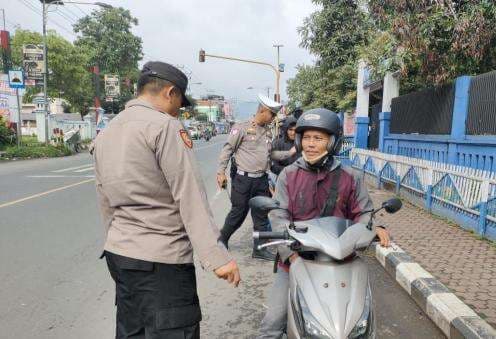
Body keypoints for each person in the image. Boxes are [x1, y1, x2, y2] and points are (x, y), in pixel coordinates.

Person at [93, 61, 240, 339]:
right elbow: (190, 197)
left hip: (121, 257)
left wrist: (117, 242)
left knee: (131, 331)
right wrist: (217, 257)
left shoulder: (107, 132)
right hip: (163, 262)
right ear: (170, 93)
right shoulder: (165, 127)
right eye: (180, 104)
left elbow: (105, 199)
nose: (179, 111)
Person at [256, 108, 391, 338]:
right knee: (272, 324)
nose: (310, 144)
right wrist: (291, 255)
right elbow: (278, 216)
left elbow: (364, 212)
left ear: (332, 142)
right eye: (306, 137)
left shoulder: (350, 177)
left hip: (342, 262)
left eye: (318, 138)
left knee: (358, 321)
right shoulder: (288, 175)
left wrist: (373, 226)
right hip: (297, 260)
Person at [216, 94, 293, 260]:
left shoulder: (267, 132)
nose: (273, 118)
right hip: (243, 180)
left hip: (261, 180)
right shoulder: (242, 127)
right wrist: (221, 172)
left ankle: (259, 249)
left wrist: (290, 153)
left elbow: (271, 154)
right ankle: (222, 240)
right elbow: (228, 149)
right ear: (263, 110)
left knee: (260, 214)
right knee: (239, 213)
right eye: (272, 114)